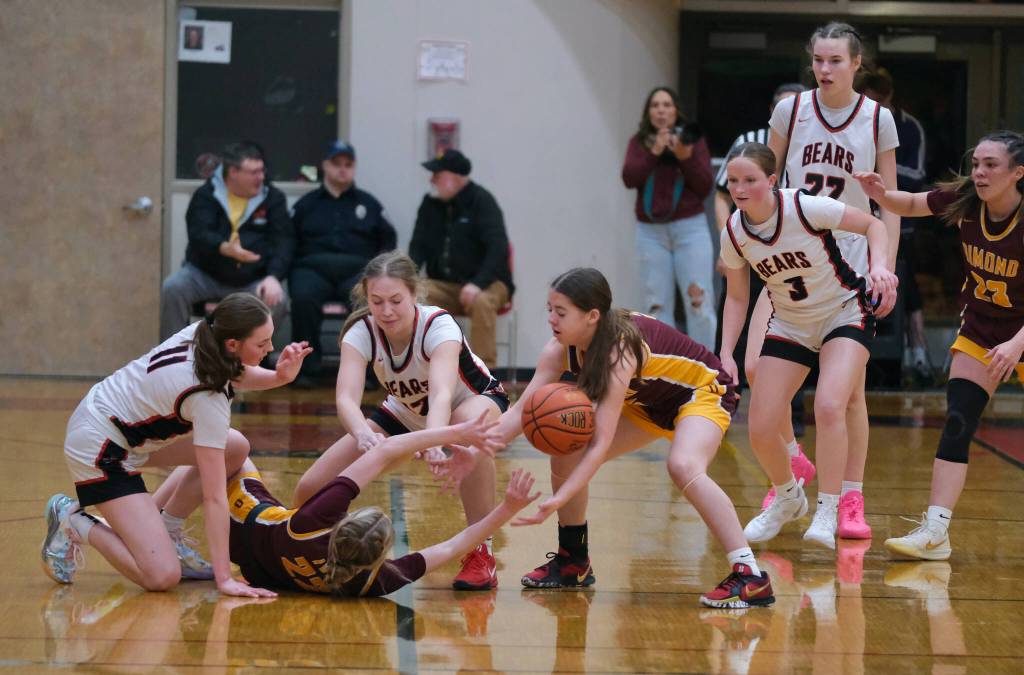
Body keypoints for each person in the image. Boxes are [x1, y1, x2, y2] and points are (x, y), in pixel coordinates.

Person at [437, 267, 775, 608]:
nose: (552, 319)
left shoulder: (619, 350)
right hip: (648, 402)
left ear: (592, 316)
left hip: (701, 391)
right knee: (568, 450)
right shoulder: (558, 351)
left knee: (683, 465)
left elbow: (601, 443)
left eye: (561, 312)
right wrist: (475, 451)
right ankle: (573, 561)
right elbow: (519, 415)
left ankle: (749, 575)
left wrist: (559, 498)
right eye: (549, 310)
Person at [41, 293, 311, 596]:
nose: (271, 348)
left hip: (118, 427)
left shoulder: (205, 332)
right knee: (162, 576)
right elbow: (213, 497)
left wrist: (278, 377)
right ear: (232, 345)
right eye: (262, 344)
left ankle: (166, 530)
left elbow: (233, 373)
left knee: (234, 448)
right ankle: (74, 519)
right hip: (98, 449)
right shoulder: (208, 396)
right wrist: (225, 579)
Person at [747, 22, 901, 541]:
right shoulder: (791, 110)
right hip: (792, 259)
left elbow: (890, 204)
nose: (825, 69)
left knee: (843, 397)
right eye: (818, 60)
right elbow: (766, 175)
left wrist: (887, 267)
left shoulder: (877, 119)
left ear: (857, 63)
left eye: (836, 60)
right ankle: (790, 472)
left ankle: (848, 497)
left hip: (850, 264)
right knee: (756, 371)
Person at [291, 251, 509, 591]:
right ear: (366, 296)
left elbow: (440, 395)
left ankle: (481, 551)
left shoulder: (438, 325)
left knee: (469, 430)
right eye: (377, 301)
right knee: (310, 488)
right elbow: (346, 399)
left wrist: (435, 440)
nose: (387, 310)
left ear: (414, 295)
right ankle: (316, 552)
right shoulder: (360, 331)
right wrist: (362, 433)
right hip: (404, 411)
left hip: (470, 403)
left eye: (396, 300)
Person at [853, 131, 1024, 560]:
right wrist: (881, 194)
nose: (980, 172)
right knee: (956, 422)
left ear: (1017, 173)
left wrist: (1018, 344)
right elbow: (911, 204)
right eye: (977, 162)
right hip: (983, 333)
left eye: (991, 165)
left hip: (1019, 334)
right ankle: (936, 531)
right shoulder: (966, 199)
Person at [718, 143, 898, 550]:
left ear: (771, 181)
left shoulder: (803, 208)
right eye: (733, 181)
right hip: (791, 322)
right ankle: (787, 497)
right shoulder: (734, 231)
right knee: (761, 425)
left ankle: (828, 507)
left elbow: (875, 225)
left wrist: (880, 266)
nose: (740, 189)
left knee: (831, 405)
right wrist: (727, 351)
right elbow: (736, 296)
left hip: (843, 312)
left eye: (750, 180)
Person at [226, 414, 538, 596]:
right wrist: (507, 509)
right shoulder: (373, 583)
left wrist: (456, 433)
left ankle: (172, 522)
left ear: (341, 524)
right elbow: (450, 547)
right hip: (247, 561)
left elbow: (384, 449)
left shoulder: (311, 521)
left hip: (243, 516)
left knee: (230, 448)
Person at [713, 82, 808, 432]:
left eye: (794, 109)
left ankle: (792, 415)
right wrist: (731, 242)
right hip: (749, 247)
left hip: (792, 259)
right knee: (734, 318)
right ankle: (722, 401)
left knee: (789, 332)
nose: (787, 115)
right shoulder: (749, 142)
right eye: (781, 109)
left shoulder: (810, 149)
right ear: (772, 112)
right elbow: (722, 194)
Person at [160, 142, 294, 342]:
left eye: (262, 170)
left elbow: (284, 241)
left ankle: (255, 359)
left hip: (253, 280)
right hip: (205, 275)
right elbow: (199, 234)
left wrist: (274, 276)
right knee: (173, 288)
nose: (261, 177)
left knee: (278, 300)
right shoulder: (206, 195)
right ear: (233, 172)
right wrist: (224, 248)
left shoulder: (273, 198)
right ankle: (173, 355)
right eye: (254, 172)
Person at [289, 140, 397, 386]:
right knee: (303, 297)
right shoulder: (306, 205)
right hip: (312, 269)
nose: (342, 169)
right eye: (336, 164)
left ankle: (370, 372)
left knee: (365, 302)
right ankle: (306, 371)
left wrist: (380, 274)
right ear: (325, 166)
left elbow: (388, 241)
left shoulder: (369, 204)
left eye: (348, 165)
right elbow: (288, 241)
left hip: (356, 272)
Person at [621, 86, 716, 349]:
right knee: (656, 304)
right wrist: (654, 151)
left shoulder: (690, 141)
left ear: (676, 111)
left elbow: (705, 185)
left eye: (667, 105)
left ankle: (706, 370)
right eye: (655, 105)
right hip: (650, 232)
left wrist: (684, 157)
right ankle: (664, 372)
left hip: (690, 228)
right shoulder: (639, 142)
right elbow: (629, 177)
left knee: (699, 301)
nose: (661, 110)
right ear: (648, 112)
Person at [859, 68, 934, 384]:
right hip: (859, 221)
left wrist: (881, 180)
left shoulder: (910, 127)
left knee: (906, 289)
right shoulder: (858, 120)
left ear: (889, 98)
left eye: (879, 100)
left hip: (899, 221)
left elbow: (915, 176)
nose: (874, 105)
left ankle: (919, 354)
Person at [409, 149, 514, 369]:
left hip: (489, 283)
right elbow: (417, 246)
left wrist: (478, 283)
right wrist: (407, 280)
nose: (432, 180)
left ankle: (484, 377)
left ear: (454, 177)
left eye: (437, 175)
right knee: (412, 297)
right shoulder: (429, 204)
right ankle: (420, 368)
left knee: (482, 302)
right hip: (445, 285)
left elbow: (498, 248)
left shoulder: (482, 201)